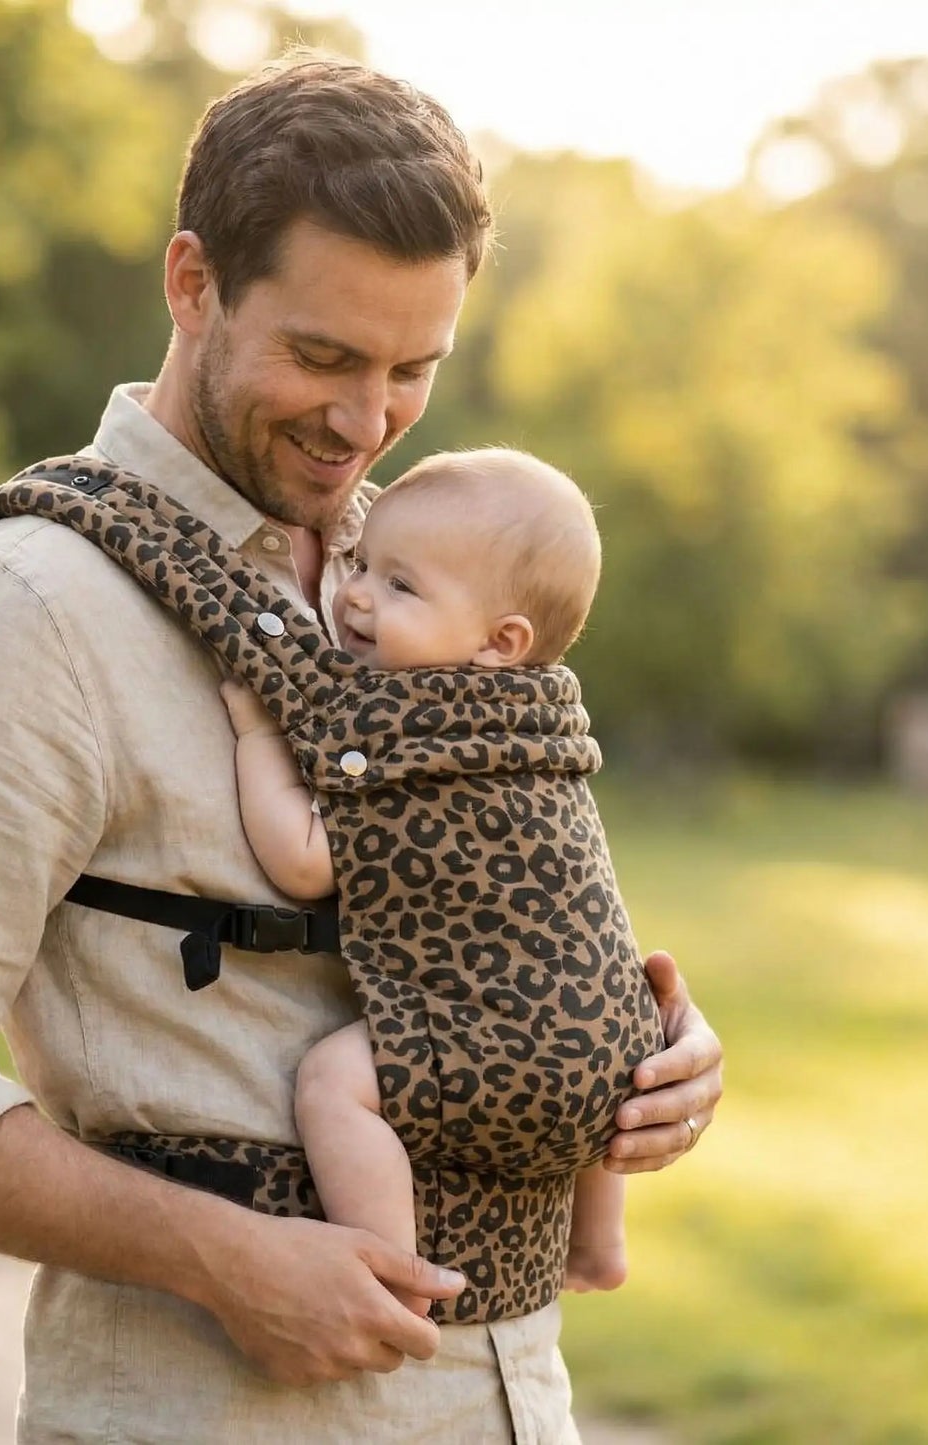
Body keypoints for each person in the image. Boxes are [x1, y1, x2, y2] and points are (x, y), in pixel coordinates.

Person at [0, 52, 722, 1444]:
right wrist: (221, 1254)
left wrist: (644, 1061)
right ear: (191, 283)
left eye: (413, 369)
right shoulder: (27, 608)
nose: (364, 421)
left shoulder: (414, 571)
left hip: (513, 1401)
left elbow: (478, 903)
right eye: (324, 356)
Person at [220, 446, 634, 1315]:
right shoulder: (540, 723)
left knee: (334, 1081)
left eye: (401, 587)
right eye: (362, 563)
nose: (358, 596)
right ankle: (597, 1245)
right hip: (613, 1044)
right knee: (590, 1068)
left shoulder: (414, 730)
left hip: (493, 1037)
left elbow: (302, 858)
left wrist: (260, 737)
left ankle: (388, 1269)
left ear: (498, 642)